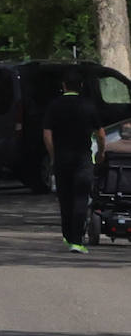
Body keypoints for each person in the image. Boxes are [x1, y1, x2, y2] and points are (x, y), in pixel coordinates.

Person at [42, 69, 106, 254]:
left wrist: (53, 155)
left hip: (62, 158)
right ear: (81, 86)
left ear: (63, 86)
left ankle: (68, 235)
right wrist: (101, 153)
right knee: (80, 198)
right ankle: (77, 241)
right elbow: (101, 134)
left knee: (65, 198)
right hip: (83, 159)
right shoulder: (88, 106)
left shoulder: (54, 106)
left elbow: (47, 134)